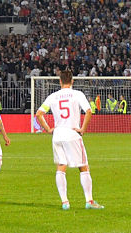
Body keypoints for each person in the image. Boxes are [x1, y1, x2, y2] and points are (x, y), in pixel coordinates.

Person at [34, 70, 104, 210]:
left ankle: (65, 202)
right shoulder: (77, 94)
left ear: (60, 81)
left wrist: (48, 129)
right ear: (72, 81)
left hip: (58, 134)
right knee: (83, 167)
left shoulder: (53, 96)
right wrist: (83, 129)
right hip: (72, 133)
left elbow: (39, 113)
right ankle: (89, 201)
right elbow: (89, 111)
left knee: (61, 166)